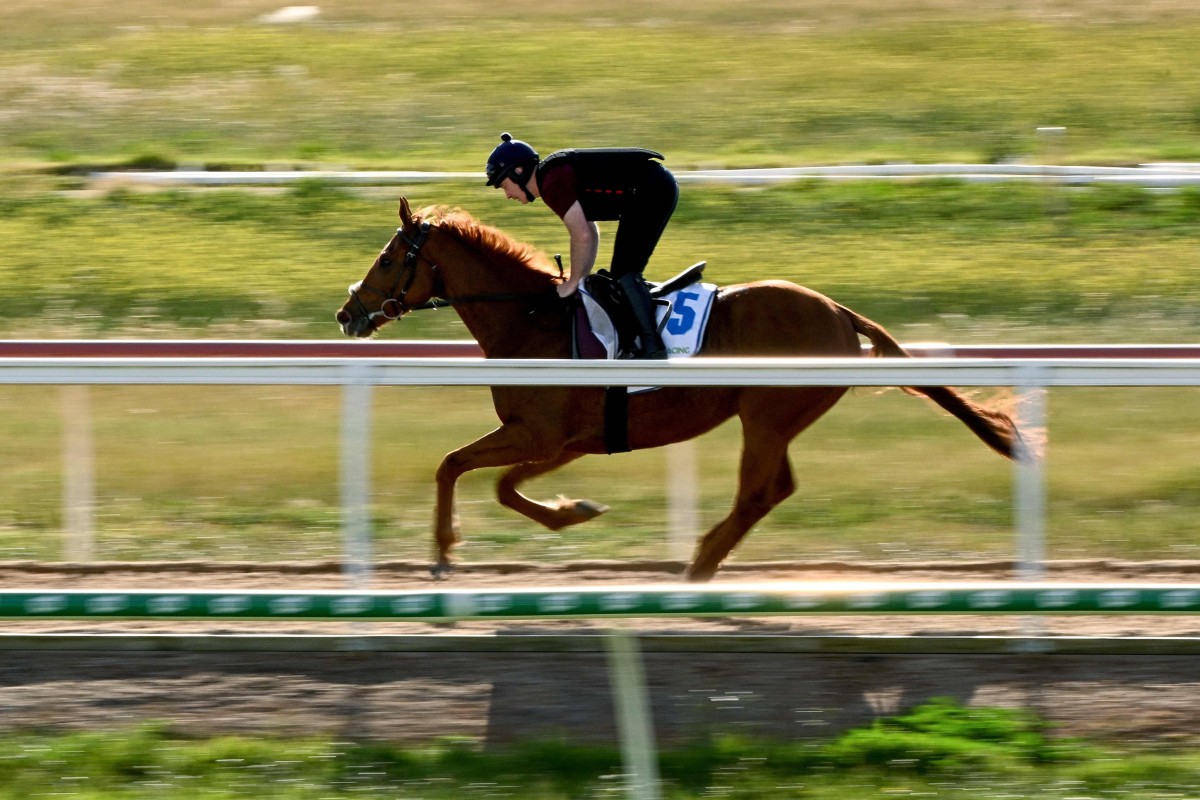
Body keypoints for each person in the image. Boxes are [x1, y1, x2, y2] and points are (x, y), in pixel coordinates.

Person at [485, 132, 678, 359]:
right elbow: (590, 232)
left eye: (504, 185)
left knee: (625, 272)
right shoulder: (552, 178)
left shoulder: (552, 183)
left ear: (518, 172)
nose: (507, 195)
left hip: (652, 191)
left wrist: (573, 281)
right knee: (621, 273)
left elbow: (582, 236)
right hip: (652, 188)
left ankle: (653, 348)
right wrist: (582, 280)